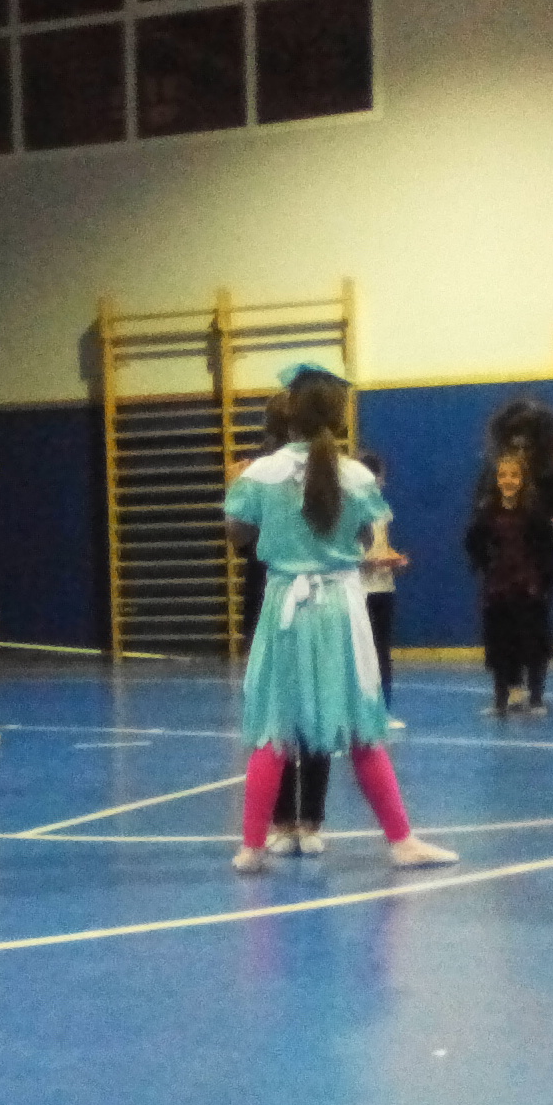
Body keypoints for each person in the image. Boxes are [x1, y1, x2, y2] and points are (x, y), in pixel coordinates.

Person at [222, 370, 455, 875]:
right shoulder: (357, 476)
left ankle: (252, 846)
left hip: (284, 607)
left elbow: (237, 532)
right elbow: (366, 534)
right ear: (338, 416)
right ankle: (401, 840)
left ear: (289, 414)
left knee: (273, 727)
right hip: (340, 609)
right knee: (362, 726)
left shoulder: (260, 473)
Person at [242, 385, 333, 854]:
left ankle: (302, 821)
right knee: (287, 712)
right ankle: (292, 821)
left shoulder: (325, 472)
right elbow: (241, 536)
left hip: (304, 597)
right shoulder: (259, 476)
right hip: (274, 594)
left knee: (304, 711)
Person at [465, 445, 553, 717]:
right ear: (496, 479)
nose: (508, 480)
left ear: (522, 479)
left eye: (514, 475)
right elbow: (473, 542)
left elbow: (550, 549)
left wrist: (545, 581)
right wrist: (485, 565)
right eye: (503, 475)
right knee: (500, 643)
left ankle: (536, 697)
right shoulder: (487, 511)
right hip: (498, 587)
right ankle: (501, 698)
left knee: (533, 643)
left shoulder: (535, 512)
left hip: (529, 587)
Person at [355, 447, 409, 731]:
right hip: (359, 591)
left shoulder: (382, 511)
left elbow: (382, 546)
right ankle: (357, 713)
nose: (383, 483)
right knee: (358, 654)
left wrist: (394, 560)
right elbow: (346, 553)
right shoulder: (350, 512)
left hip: (383, 588)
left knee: (381, 652)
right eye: (379, 478)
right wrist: (368, 562)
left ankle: (383, 711)